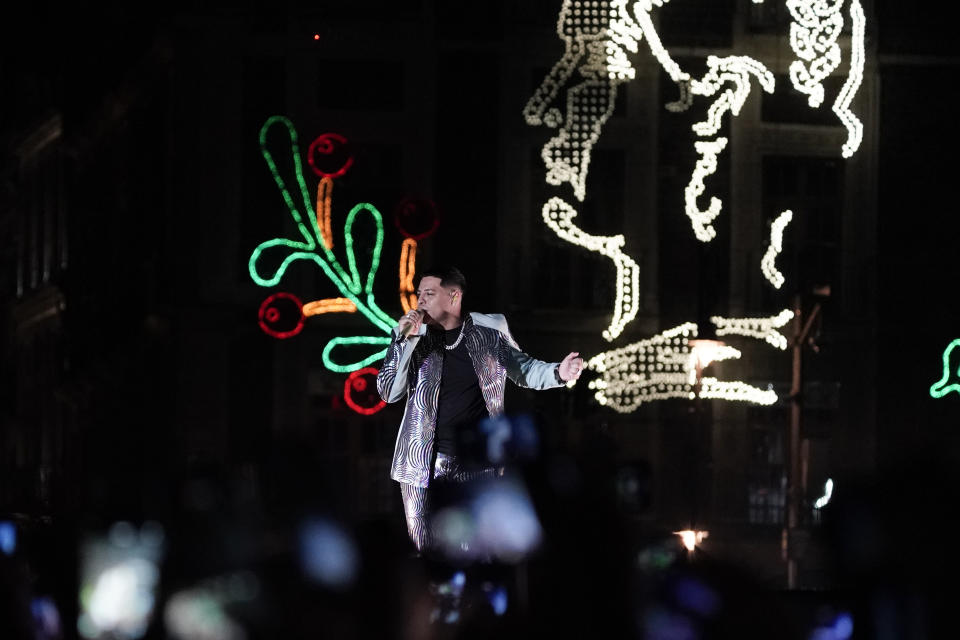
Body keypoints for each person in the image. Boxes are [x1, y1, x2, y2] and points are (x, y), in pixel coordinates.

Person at [376, 266, 584, 553]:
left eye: (429, 293)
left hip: (476, 462)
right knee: (425, 552)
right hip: (420, 462)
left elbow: (523, 369)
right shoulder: (411, 338)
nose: (420, 301)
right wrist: (405, 341)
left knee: (473, 550)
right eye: (418, 294)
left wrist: (559, 372)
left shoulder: (489, 332)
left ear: (453, 296)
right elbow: (388, 391)